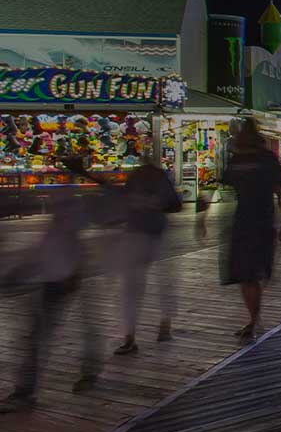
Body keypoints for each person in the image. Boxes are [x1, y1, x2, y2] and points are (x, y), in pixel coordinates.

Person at [2, 157, 101, 411]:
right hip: (58, 277)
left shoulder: (68, 212)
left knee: (41, 334)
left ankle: (26, 392)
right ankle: (89, 370)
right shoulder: (69, 209)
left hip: (59, 278)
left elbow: (56, 246)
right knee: (70, 328)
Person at [219, 119, 281, 341]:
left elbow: (224, 186)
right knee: (255, 271)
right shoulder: (266, 158)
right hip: (263, 218)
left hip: (244, 219)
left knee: (246, 274)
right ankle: (254, 318)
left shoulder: (238, 160)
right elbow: (280, 189)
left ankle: (253, 318)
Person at [113, 152, 183, 355]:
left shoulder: (134, 178)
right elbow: (176, 205)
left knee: (132, 287)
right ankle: (164, 325)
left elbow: (122, 204)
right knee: (165, 283)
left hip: (135, 233)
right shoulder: (161, 177)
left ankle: (130, 337)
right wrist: (156, 205)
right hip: (156, 233)